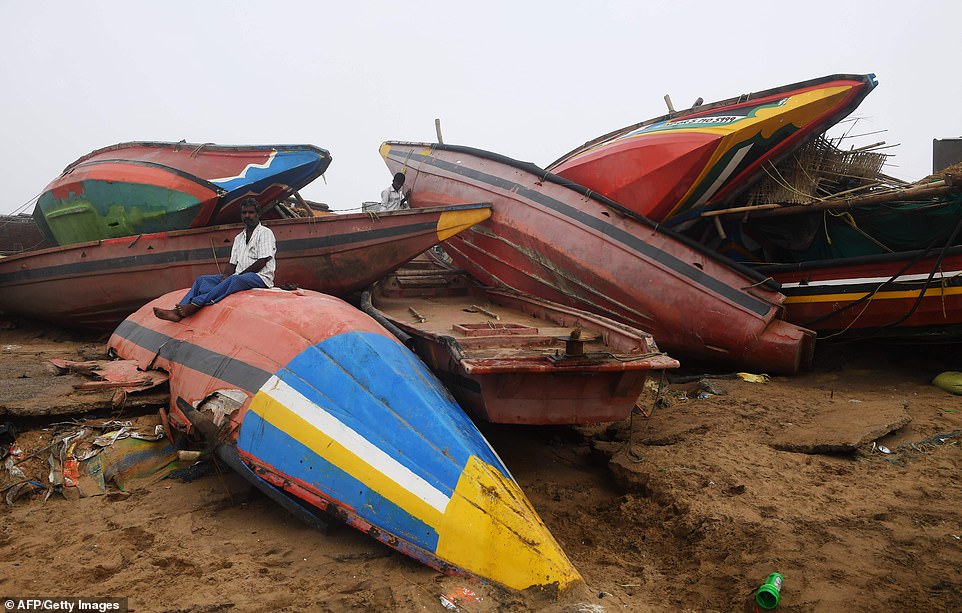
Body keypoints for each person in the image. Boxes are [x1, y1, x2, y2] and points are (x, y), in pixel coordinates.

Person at [153, 198, 276, 322]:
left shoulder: (265, 233)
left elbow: (263, 260)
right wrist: (225, 276)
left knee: (234, 279)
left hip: (260, 277)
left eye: (251, 212)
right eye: (244, 213)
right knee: (202, 280)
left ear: (258, 214)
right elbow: (232, 263)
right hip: (239, 277)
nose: (247, 216)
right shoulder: (239, 238)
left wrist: (236, 277)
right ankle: (178, 311)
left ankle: (195, 305)